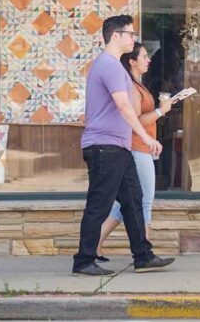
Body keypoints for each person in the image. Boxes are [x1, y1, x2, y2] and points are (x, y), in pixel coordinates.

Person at [71, 15, 175, 276]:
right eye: (129, 33)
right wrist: (147, 137)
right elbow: (124, 106)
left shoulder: (111, 65)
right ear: (115, 36)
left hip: (118, 147)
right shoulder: (110, 66)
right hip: (104, 146)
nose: (132, 38)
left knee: (134, 201)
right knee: (99, 203)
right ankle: (83, 261)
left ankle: (143, 256)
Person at [94, 43, 172, 261]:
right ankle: (146, 254)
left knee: (128, 202)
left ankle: (95, 244)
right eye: (144, 57)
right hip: (137, 147)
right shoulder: (131, 87)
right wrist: (160, 111)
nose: (149, 60)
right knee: (144, 200)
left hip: (142, 147)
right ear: (132, 61)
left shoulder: (139, 85)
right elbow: (135, 121)